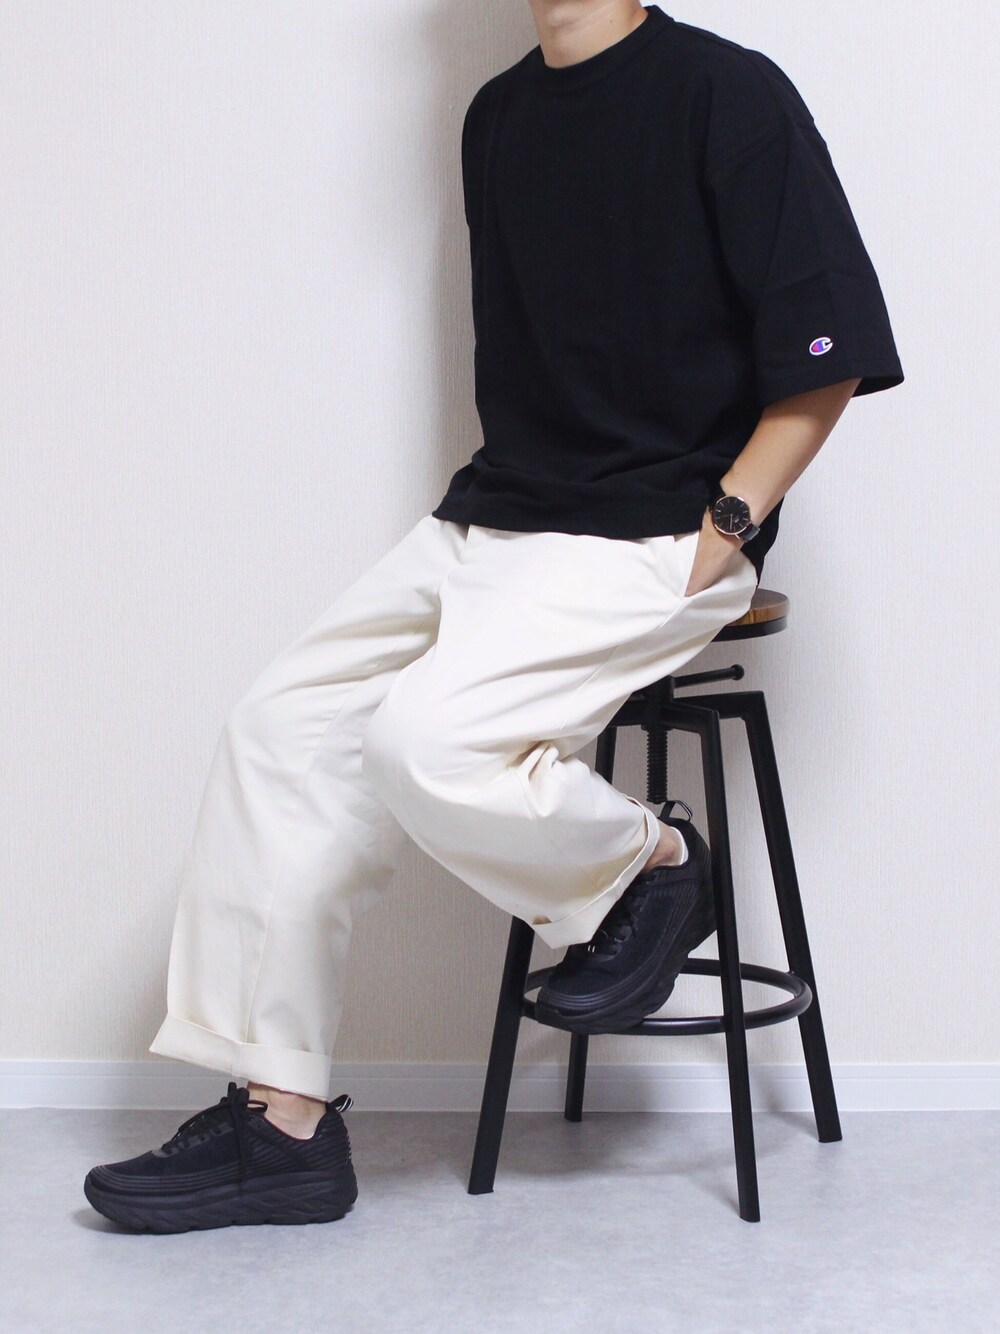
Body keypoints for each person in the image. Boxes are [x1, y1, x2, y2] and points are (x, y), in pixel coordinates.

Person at [84, 0, 903, 1232]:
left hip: (656, 531)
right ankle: (280, 1121)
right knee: (278, 728)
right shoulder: (498, 118)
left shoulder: (728, 93)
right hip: (497, 516)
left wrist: (724, 525)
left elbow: (824, 350)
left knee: (423, 738)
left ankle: (653, 860)